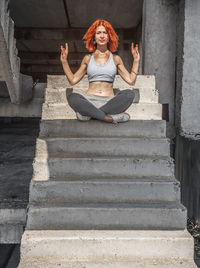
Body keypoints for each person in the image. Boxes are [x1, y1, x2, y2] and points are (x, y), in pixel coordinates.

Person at [60, 19, 140, 123]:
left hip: (109, 102)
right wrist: (64, 61)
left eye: (105, 33)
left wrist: (136, 60)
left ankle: (90, 114)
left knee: (130, 94)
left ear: (109, 37)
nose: (102, 36)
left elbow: (131, 81)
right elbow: (73, 80)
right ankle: (108, 118)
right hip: (90, 102)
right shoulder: (88, 58)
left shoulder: (116, 58)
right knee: (72, 97)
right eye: (98, 33)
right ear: (94, 37)